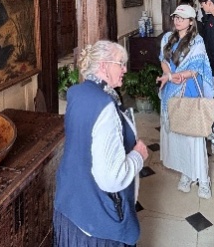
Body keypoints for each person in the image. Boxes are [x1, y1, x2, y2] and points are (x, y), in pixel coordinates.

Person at [53, 40, 148, 247]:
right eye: (120, 63)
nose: (125, 69)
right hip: (96, 222)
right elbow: (111, 179)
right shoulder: (104, 105)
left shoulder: (78, 92)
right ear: (104, 66)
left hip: (70, 204)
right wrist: (138, 156)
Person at [157, 4, 214, 199]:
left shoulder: (197, 41)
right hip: (171, 92)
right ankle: (186, 173)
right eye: (176, 17)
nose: (177, 20)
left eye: (182, 18)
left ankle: (203, 179)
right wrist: (169, 75)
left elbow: (197, 69)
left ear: (191, 21)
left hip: (189, 91)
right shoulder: (167, 37)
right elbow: (163, 60)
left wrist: (177, 76)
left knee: (193, 137)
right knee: (177, 135)